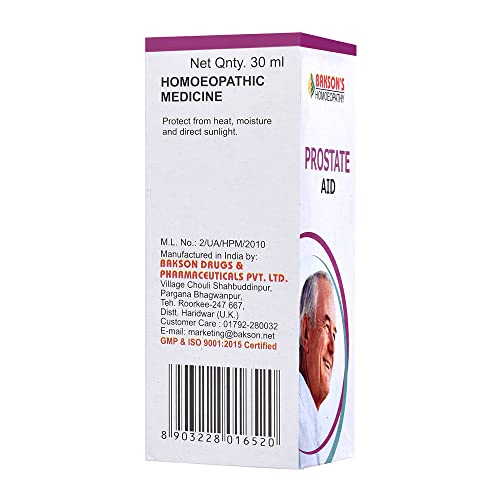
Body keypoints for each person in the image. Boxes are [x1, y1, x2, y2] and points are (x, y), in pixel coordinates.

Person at [299, 271, 336, 467]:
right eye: (326, 327)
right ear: (306, 331)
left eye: (334, 334)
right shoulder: (298, 419)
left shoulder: (308, 417)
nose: (333, 348)